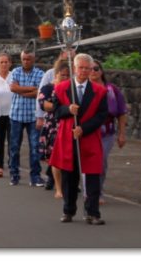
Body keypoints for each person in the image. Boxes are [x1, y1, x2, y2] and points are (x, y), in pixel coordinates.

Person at [50, 53, 109, 225]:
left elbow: (102, 115)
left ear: (91, 69)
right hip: (68, 138)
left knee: (92, 176)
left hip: (89, 137)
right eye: (80, 67)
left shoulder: (100, 91)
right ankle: (68, 210)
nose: (83, 71)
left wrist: (84, 128)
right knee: (69, 176)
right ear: (74, 68)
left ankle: (93, 212)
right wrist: (68, 109)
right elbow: (55, 112)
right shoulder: (61, 88)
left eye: (87, 68)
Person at [90, 60, 128, 202]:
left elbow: (121, 112)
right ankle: (90, 190)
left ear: (101, 71)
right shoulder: (83, 89)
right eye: (90, 69)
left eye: (96, 68)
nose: (93, 71)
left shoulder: (111, 90)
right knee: (88, 162)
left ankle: (98, 191)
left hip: (107, 133)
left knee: (101, 161)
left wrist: (122, 134)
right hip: (88, 131)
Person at [8, 49, 45, 187]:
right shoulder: (16, 71)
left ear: (33, 59)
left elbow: (39, 92)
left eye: (28, 59)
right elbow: (13, 88)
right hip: (16, 114)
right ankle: (14, 175)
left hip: (33, 115)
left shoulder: (40, 73)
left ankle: (35, 176)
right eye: (23, 59)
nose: (26, 61)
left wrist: (21, 89)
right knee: (14, 146)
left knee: (35, 147)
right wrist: (31, 89)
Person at [38, 58, 70, 198]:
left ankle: (67, 183)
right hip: (52, 125)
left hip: (68, 124)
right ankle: (57, 186)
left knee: (67, 155)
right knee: (54, 156)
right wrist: (63, 108)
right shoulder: (48, 88)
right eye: (62, 75)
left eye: (68, 75)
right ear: (56, 74)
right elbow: (44, 105)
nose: (65, 78)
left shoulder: (72, 89)